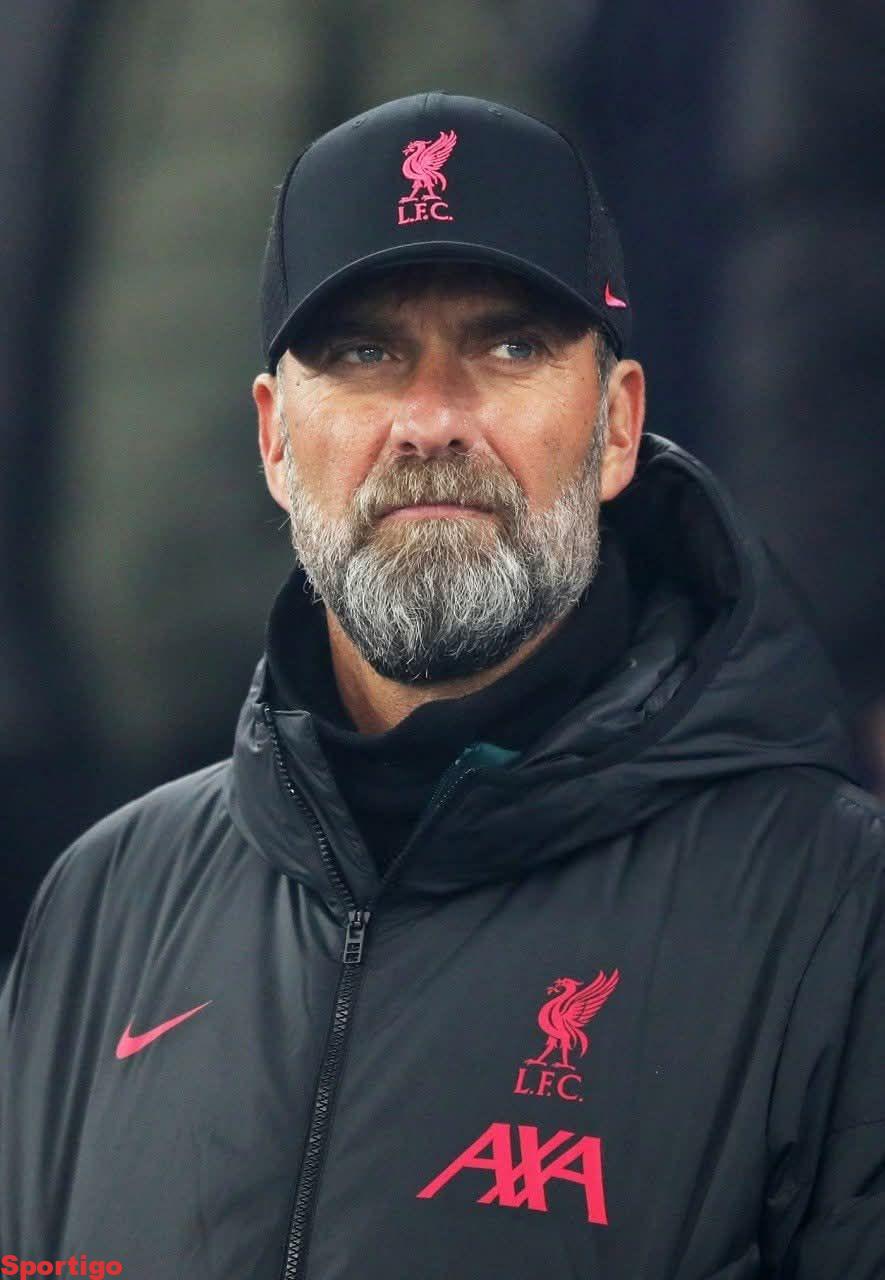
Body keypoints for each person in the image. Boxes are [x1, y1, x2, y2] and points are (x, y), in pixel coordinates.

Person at [1, 91, 882, 1280]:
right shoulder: (104, 903)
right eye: (362, 353)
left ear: (618, 425)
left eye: (509, 346)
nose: (429, 420)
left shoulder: (835, 911)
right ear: (273, 439)